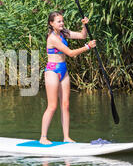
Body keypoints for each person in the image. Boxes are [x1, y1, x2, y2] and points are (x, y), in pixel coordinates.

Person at [40, 11, 96, 144]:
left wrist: (84, 25)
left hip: (63, 70)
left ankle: (66, 137)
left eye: (62, 21)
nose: (62, 23)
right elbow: (70, 53)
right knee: (52, 106)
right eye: (58, 21)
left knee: (65, 105)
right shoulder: (52, 38)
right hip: (52, 71)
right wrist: (87, 47)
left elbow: (82, 36)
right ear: (51, 23)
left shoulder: (64, 33)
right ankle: (43, 137)